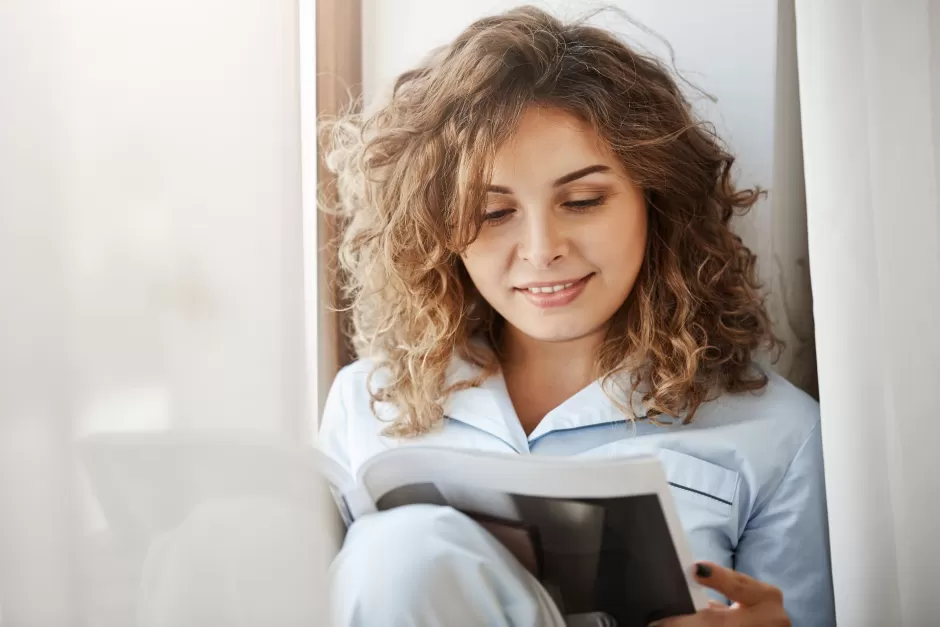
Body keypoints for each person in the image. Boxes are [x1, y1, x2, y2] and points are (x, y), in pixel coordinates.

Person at [319, 6, 834, 626]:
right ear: (439, 230)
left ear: (655, 199)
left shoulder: (781, 434)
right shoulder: (367, 406)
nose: (541, 249)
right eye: (492, 213)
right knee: (397, 554)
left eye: (583, 200)